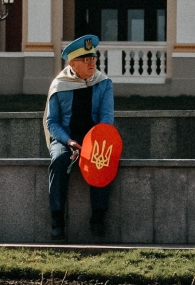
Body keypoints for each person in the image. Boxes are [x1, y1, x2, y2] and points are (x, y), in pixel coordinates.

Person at [43, 34, 114, 240]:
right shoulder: (59, 85)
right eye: (85, 59)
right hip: (65, 138)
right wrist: (68, 141)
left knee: (103, 160)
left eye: (93, 58)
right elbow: (52, 122)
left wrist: (94, 143)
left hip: (95, 137)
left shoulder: (103, 83)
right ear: (72, 63)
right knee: (59, 160)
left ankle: (98, 218)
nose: (91, 63)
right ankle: (57, 221)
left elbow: (106, 118)